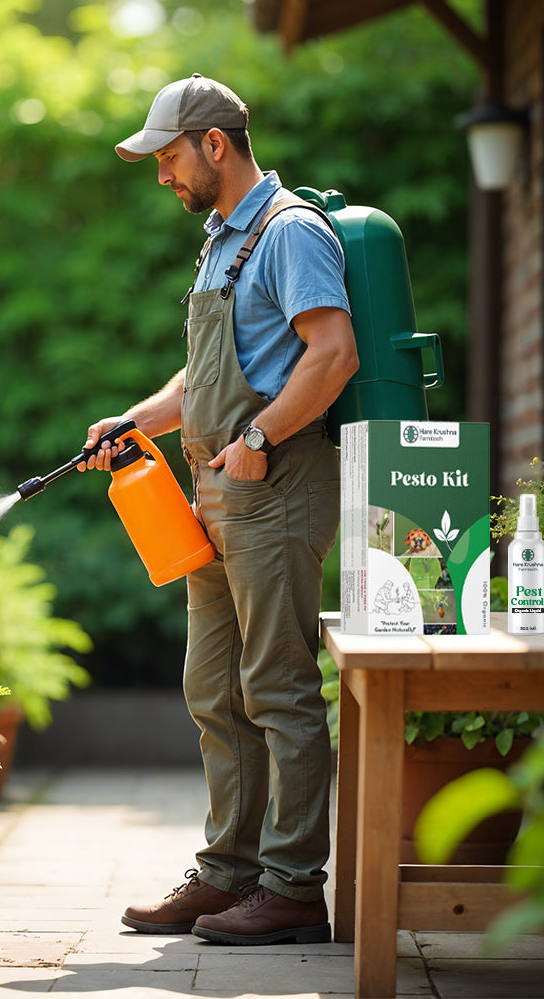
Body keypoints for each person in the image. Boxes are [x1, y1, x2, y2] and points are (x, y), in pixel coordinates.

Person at [83, 73, 359, 946]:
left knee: (279, 688)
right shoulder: (221, 242)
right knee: (216, 689)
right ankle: (227, 874)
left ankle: (291, 887)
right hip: (215, 494)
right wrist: (138, 419)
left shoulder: (290, 234)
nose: (161, 174)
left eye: (168, 156)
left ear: (213, 143)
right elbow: (205, 381)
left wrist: (261, 442)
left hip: (275, 491)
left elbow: (333, 355)